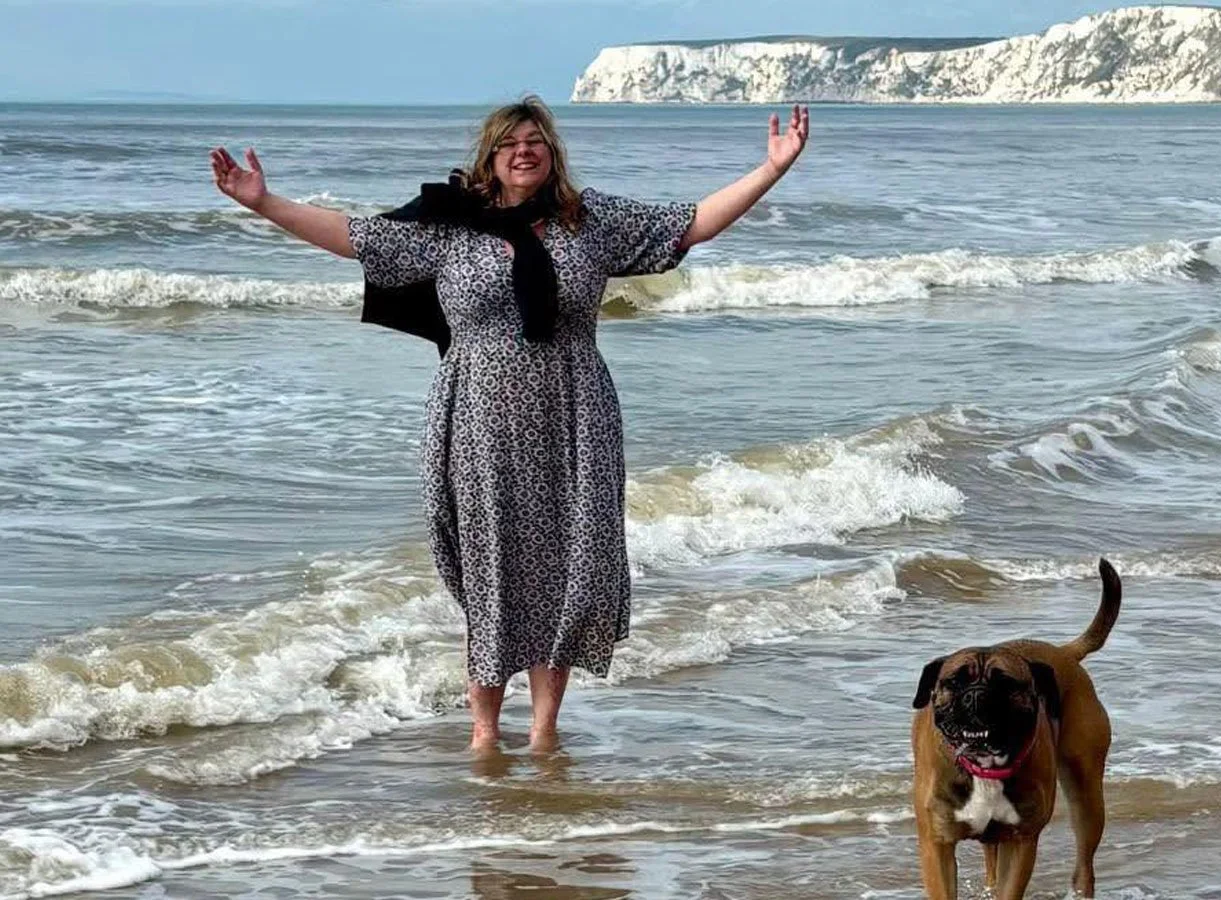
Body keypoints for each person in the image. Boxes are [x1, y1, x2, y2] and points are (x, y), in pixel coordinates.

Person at [210, 96, 809, 753]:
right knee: (492, 570)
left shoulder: (591, 221)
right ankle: (484, 733)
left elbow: (691, 224)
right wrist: (264, 202)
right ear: (489, 158)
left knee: (566, 570)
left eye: (536, 141)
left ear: (552, 154)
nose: (524, 151)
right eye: (509, 143)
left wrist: (771, 168)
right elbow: (354, 237)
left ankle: (545, 733)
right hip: (477, 417)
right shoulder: (447, 226)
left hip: (575, 414)